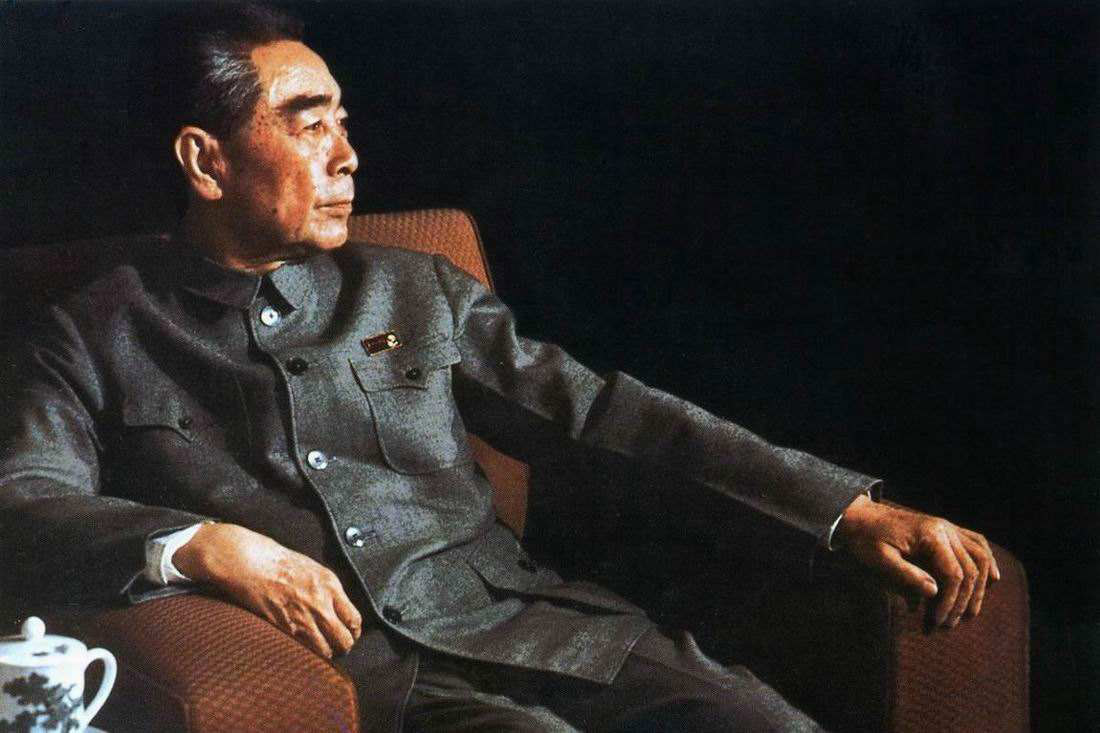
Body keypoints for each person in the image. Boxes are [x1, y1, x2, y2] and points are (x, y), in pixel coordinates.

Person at [0, 5, 998, 731]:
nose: (347, 155)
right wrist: (200, 545)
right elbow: (23, 500)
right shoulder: (91, 332)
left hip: (531, 627)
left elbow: (605, 416)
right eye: (308, 123)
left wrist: (845, 511)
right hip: (365, 681)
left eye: (344, 120)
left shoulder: (412, 289)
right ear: (207, 161)